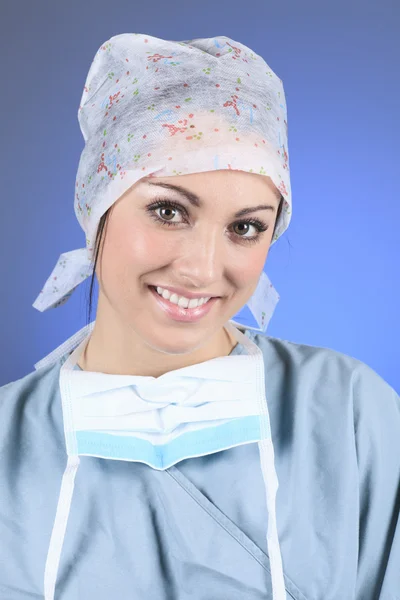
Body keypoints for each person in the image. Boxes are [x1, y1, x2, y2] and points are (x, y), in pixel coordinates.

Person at [0, 33, 399, 600]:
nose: (202, 269)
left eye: (245, 227)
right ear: (98, 205)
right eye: (168, 211)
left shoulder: (351, 414)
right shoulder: (7, 442)